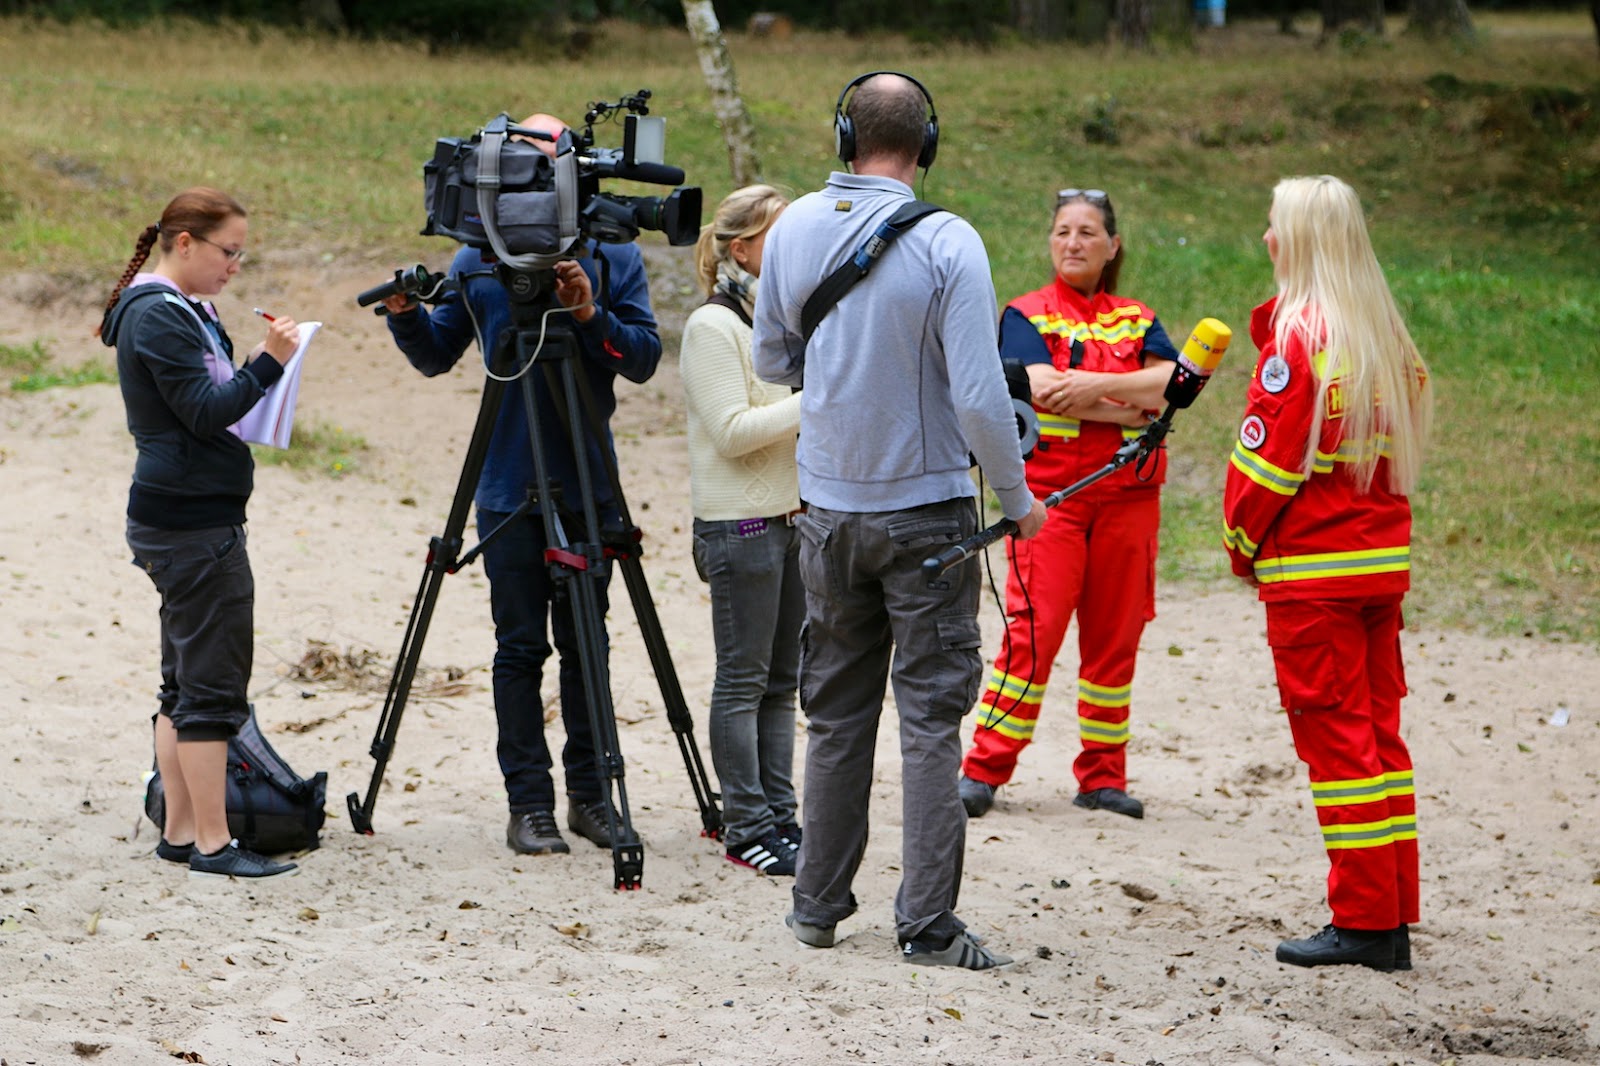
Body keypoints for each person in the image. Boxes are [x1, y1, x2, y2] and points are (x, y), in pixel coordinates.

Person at [752, 72, 1047, 969]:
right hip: (930, 523)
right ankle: (926, 926)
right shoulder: (950, 239)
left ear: (845, 138)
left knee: (837, 718)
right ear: (928, 144)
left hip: (826, 514)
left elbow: (773, 361)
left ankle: (816, 908)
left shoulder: (791, 226)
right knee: (928, 724)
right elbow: (982, 400)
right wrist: (1020, 501)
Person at [380, 113, 662, 857]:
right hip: (506, 484)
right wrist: (406, 318)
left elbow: (641, 359)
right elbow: (438, 353)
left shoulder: (611, 253)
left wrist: (588, 313)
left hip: (585, 479)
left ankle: (592, 798)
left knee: (587, 645)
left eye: (546, 163)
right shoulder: (477, 256)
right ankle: (528, 805)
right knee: (519, 649)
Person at [1223, 175, 1432, 971]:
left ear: (1301, 241)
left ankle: (1365, 922)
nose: (1267, 239)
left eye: (1275, 226)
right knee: (1379, 739)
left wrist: (1240, 545)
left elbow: (1264, 471)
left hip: (1314, 577)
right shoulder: (1384, 339)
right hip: (1379, 570)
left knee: (1340, 751)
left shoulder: (1298, 341)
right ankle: (1393, 907)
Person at [99, 186, 303, 881]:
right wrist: (270, 362)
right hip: (192, 523)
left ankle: (181, 833)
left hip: (183, 515)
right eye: (229, 251)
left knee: (182, 686)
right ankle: (215, 846)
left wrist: (260, 368)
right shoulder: (160, 315)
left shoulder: (176, 308)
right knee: (211, 692)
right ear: (185, 243)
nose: (235, 266)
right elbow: (206, 410)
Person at [958, 188, 1181, 823]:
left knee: (1116, 639)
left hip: (1130, 499)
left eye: (1087, 232)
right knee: (1034, 633)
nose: (1073, 242)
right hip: (1051, 501)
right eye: (1062, 231)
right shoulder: (1024, 314)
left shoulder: (1138, 317)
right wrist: (1127, 403)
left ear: (1113, 246)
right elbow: (1040, 388)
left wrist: (1093, 387)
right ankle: (984, 769)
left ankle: (1103, 777)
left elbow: (1171, 386)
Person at [680, 184, 805, 877]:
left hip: (789, 522)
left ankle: (780, 816)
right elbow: (731, 432)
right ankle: (745, 825)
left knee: (782, 682)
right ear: (742, 248)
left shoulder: (776, 323)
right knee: (743, 682)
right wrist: (817, 399)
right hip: (739, 526)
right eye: (778, 237)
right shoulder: (713, 327)